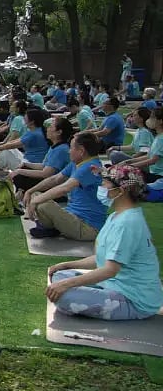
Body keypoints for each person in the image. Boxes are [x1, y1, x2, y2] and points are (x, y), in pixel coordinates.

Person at [46, 164, 163, 321]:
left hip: (133, 299)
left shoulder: (127, 223)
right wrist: (67, 265)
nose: (100, 187)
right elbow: (101, 257)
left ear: (120, 191)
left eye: (104, 184)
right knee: (60, 275)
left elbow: (109, 270)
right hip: (114, 284)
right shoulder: (117, 216)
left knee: (65, 296)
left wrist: (67, 285)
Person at [26, 132, 107, 241]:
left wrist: (35, 201)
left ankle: (51, 228)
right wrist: (30, 191)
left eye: (71, 148)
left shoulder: (90, 167)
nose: (69, 151)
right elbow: (55, 179)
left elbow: (65, 187)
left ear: (81, 151)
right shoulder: (77, 163)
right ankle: (53, 228)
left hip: (87, 227)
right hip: (72, 216)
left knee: (43, 204)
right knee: (36, 194)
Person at [11, 117, 75, 196]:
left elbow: (46, 174)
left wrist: (20, 171)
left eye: (51, 127)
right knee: (22, 170)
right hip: (50, 180)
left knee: (20, 177)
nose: (47, 129)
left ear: (59, 132)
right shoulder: (55, 146)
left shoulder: (61, 150)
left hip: (56, 187)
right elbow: (44, 166)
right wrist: (26, 164)